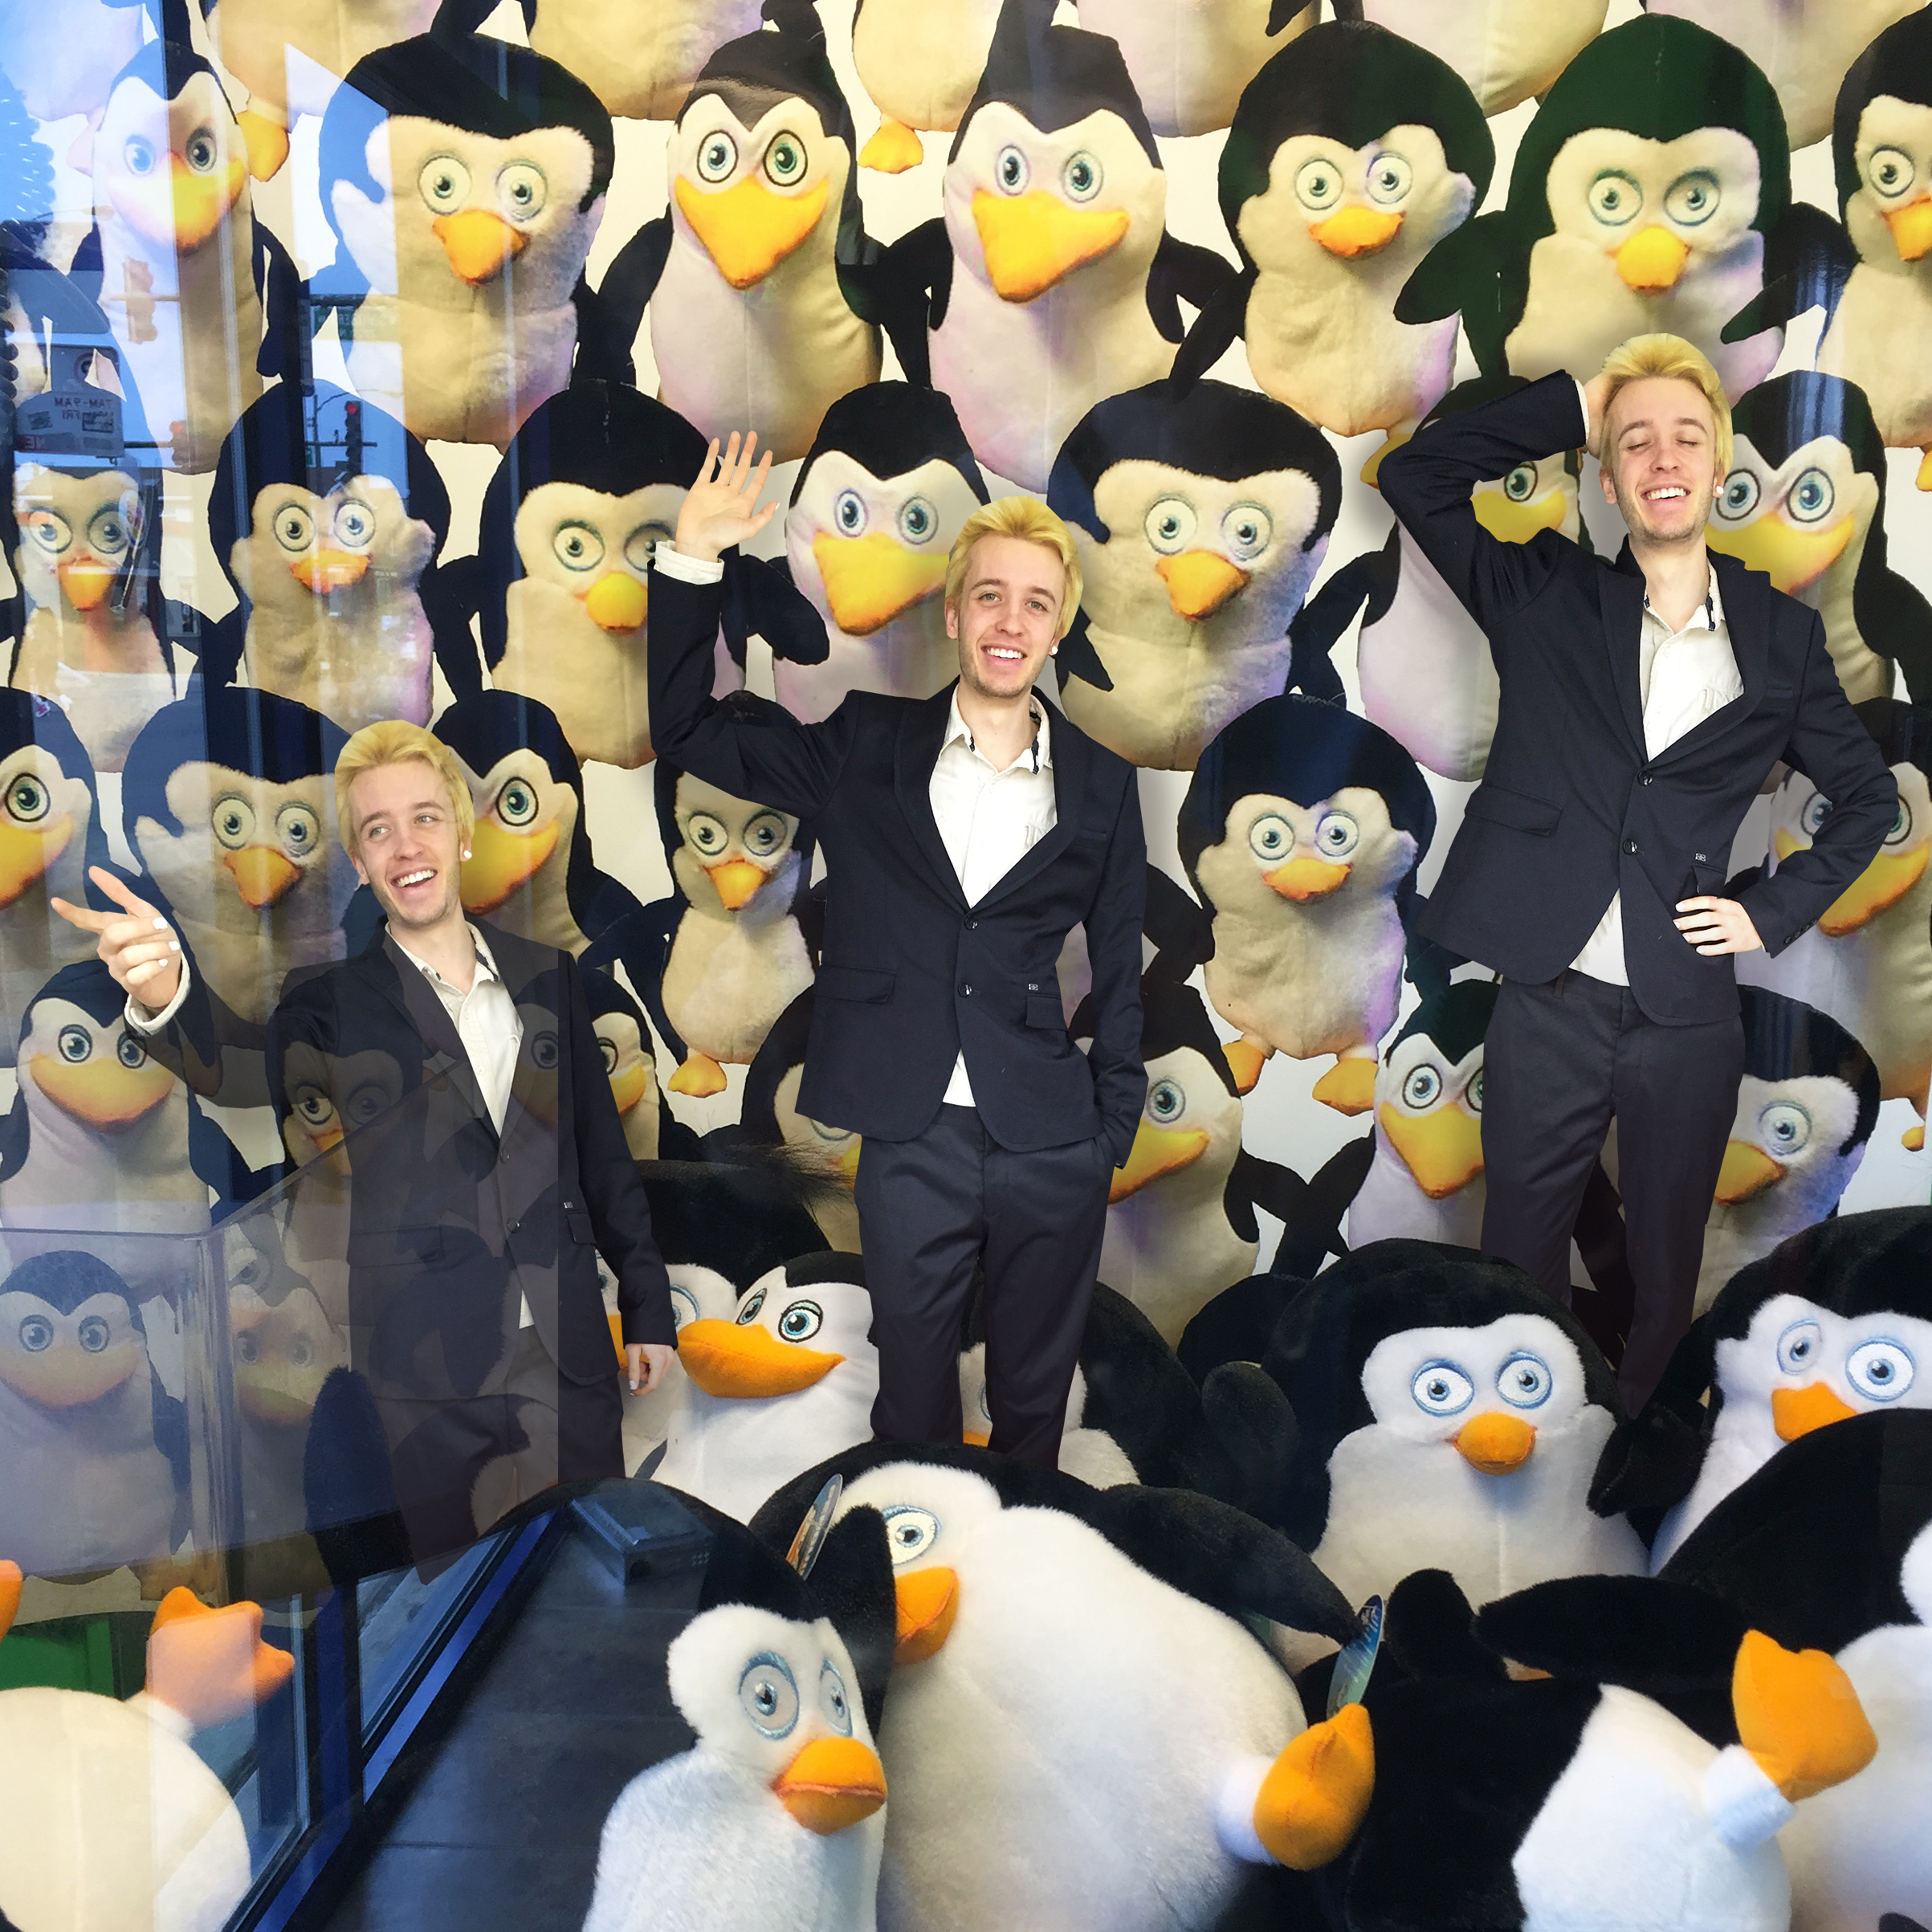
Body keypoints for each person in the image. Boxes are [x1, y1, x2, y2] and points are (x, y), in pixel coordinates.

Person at [1380, 335, 1897, 1408]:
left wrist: (1767, 914)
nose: (1662, 460)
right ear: (1607, 478)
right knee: (1513, 1254)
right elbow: (1411, 474)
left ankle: (1633, 1457)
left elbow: (1867, 801)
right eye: (1634, 443)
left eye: (1686, 439)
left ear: (1716, 469)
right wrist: (1579, 398)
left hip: (1686, 1010)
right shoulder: (1541, 595)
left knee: (1665, 1271)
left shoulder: (1781, 637)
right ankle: (1516, 1440)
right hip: (1550, 997)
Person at [55, 721, 676, 1567]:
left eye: (424, 818)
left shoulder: (549, 978)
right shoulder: (330, 1003)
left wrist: (648, 1308)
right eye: (377, 830)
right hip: (424, 1364)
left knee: (592, 1578)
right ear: (358, 859)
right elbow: (237, 1068)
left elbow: (603, 1158)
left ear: (462, 834)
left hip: (564, 1343)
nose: (405, 846)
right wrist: (165, 992)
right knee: (454, 1604)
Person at [649, 434, 1146, 1466]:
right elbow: (690, 729)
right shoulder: (861, 744)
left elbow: (1118, 963)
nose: (1011, 622)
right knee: (911, 1405)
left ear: (1057, 629)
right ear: (956, 611)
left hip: (1050, 1138)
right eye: (992, 598)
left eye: (1037, 604)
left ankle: (1014, 1596)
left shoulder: (1102, 780)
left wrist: (1109, 1128)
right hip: (910, 1137)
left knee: (1029, 1412)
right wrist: (692, 559)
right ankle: (914, 1601)